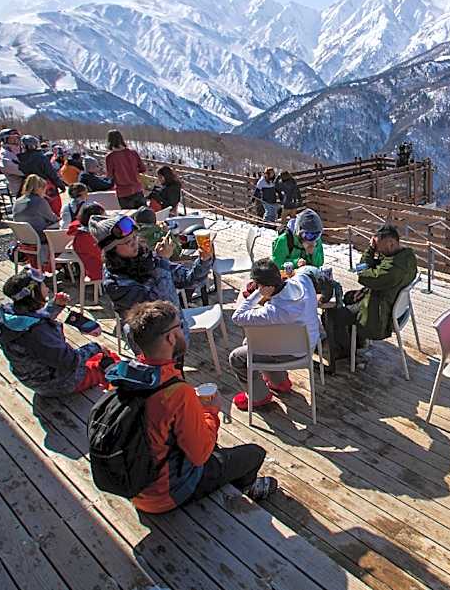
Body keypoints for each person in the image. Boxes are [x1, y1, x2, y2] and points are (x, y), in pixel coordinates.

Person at [109, 300, 275, 513]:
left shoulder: (124, 376)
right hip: (166, 493)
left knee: (212, 447)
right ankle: (246, 489)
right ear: (170, 338)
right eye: (180, 325)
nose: (183, 329)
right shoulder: (176, 393)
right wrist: (210, 411)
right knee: (254, 454)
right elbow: (200, 455)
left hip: (136, 484)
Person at [0, 268, 112, 396]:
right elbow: (69, 361)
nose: (47, 289)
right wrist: (96, 347)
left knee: (93, 356)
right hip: (56, 383)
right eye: (43, 286)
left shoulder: (10, 315)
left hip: (33, 378)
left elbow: (33, 319)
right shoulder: (37, 332)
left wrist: (55, 306)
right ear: (34, 294)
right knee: (110, 359)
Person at [92, 214, 213, 347]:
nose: (134, 243)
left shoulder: (147, 258)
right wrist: (163, 260)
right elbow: (162, 306)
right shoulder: (115, 282)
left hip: (177, 335)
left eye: (134, 237)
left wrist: (204, 260)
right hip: (152, 347)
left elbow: (189, 280)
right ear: (112, 250)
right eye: (127, 242)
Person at [228, 258, 322, 409]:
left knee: (237, 357)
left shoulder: (274, 311)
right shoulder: (303, 281)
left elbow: (237, 317)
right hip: (310, 342)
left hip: (293, 352)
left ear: (265, 287)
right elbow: (305, 271)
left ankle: (259, 397)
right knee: (251, 342)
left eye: (258, 285)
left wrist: (257, 294)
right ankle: (279, 382)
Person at [340, 223, 417, 352]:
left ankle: (341, 352)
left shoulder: (392, 269)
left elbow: (362, 274)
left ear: (391, 243)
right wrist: (367, 290)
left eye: (379, 247)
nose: (378, 251)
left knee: (332, 315)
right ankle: (357, 341)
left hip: (379, 316)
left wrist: (370, 250)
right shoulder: (407, 258)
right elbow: (381, 276)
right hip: (390, 304)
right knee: (348, 297)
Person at [12, 174, 59, 261]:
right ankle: (58, 260)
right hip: (39, 236)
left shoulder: (17, 201)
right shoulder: (40, 201)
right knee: (60, 227)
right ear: (39, 188)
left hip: (22, 237)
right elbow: (53, 219)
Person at [18, 135, 66, 214]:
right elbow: (51, 173)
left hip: (30, 185)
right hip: (45, 185)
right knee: (53, 206)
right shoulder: (40, 157)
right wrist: (60, 185)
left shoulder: (20, 159)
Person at [104, 130, 147, 209]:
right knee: (144, 214)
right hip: (137, 189)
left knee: (129, 215)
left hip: (123, 193)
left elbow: (110, 176)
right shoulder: (133, 153)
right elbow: (143, 169)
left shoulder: (110, 157)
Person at [67, 202, 106, 282]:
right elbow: (103, 256)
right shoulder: (88, 237)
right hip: (100, 271)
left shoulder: (82, 233)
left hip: (94, 269)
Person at [0, 128, 25, 197]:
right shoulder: (4, 156)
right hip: (20, 189)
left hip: (31, 186)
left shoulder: (20, 149)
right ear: (5, 140)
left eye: (16, 138)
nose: (15, 140)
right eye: (12, 138)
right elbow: (22, 171)